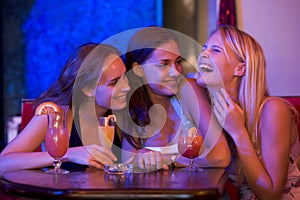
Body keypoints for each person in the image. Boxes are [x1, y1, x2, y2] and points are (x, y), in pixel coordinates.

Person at [196, 25, 300, 199]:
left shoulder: (273, 110)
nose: (203, 54)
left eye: (215, 50)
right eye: (204, 48)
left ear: (240, 69)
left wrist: (238, 132)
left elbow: (270, 195)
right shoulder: (211, 111)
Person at [0, 43, 131, 176]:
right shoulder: (56, 116)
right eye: (114, 82)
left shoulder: (125, 115)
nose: (127, 87)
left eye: (125, 76)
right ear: (87, 89)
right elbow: (2, 164)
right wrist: (67, 154)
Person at [118, 26, 231, 171]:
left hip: (200, 191)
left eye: (178, 62)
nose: (176, 72)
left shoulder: (187, 89)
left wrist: (169, 161)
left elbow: (221, 156)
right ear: (138, 69)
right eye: (164, 64)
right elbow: (128, 163)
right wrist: (140, 158)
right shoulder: (132, 106)